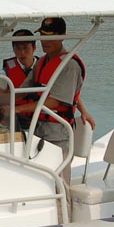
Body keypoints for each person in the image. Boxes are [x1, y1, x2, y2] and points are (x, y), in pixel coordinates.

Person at [15, 17, 93, 167]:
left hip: (58, 134)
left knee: (58, 177)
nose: (45, 41)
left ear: (62, 36)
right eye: (43, 35)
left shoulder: (70, 66)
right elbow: (23, 91)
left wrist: (17, 109)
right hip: (37, 129)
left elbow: (55, 101)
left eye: (51, 36)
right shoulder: (42, 62)